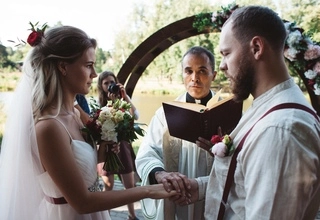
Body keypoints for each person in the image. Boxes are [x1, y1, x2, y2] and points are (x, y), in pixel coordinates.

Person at [0, 25, 178, 220]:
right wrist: (149, 190)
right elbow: (82, 202)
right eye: (88, 65)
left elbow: (83, 172)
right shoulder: (48, 128)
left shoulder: (76, 114)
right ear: (63, 67)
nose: (94, 74)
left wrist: (103, 151)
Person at [178, 6, 320, 219]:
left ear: (256, 47)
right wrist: (199, 186)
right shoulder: (267, 105)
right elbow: (247, 180)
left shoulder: (280, 130)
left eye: (226, 53)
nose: (223, 66)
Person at [135, 46, 217, 220]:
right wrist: (160, 173)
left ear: (214, 75)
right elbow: (147, 151)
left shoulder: (227, 111)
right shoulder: (165, 114)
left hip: (211, 195)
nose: (194, 78)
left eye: (202, 71)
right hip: (174, 198)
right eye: (188, 71)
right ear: (182, 74)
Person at [96, 70, 141, 220]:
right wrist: (111, 104)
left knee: (130, 185)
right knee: (108, 185)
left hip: (123, 146)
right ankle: (104, 216)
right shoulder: (98, 104)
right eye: (106, 83)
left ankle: (132, 216)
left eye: (112, 82)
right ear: (101, 86)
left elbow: (135, 115)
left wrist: (124, 96)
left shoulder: (122, 99)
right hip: (107, 148)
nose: (110, 85)